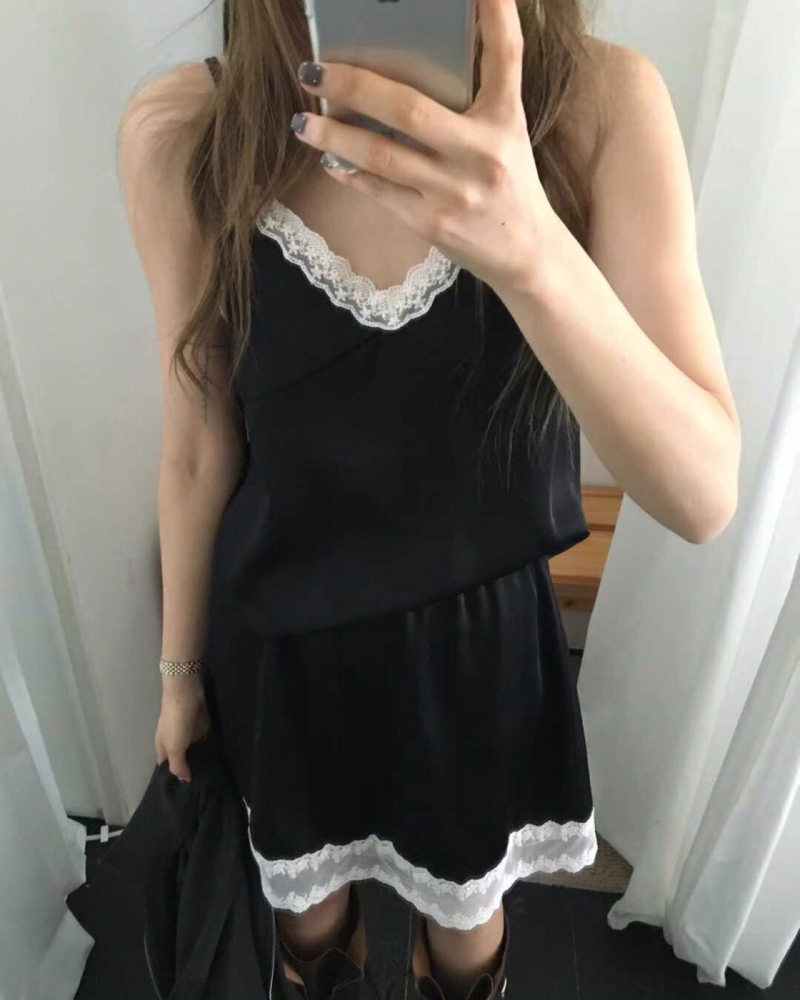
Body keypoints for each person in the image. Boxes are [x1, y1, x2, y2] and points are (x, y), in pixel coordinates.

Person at [118, 0, 741, 996]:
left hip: (476, 650)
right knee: (310, 925)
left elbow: (701, 494)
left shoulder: (596, 108)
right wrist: (178, 676)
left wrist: (530, 246)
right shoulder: (187, 130)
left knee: (465, 930)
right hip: (282, 646)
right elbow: (197, 446)